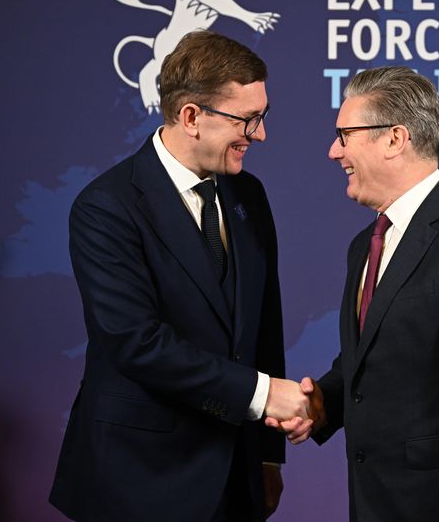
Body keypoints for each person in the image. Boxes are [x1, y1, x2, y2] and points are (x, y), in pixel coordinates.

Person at [49, 30, 312, 522]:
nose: (260, 135)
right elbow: (135, 341)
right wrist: (261, 394)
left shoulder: (247, 195)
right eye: (248, 119)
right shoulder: (107, 207)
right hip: (139, 478)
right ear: (191, 116)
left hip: (236, 475)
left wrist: (267, 454)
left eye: (263, 116)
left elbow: (263, 324)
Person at [269, 67, 439, 521]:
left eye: (344, 135)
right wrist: (320, 406)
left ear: (395, 138)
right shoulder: (366, 244)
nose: (334, 150)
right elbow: (377, 358)